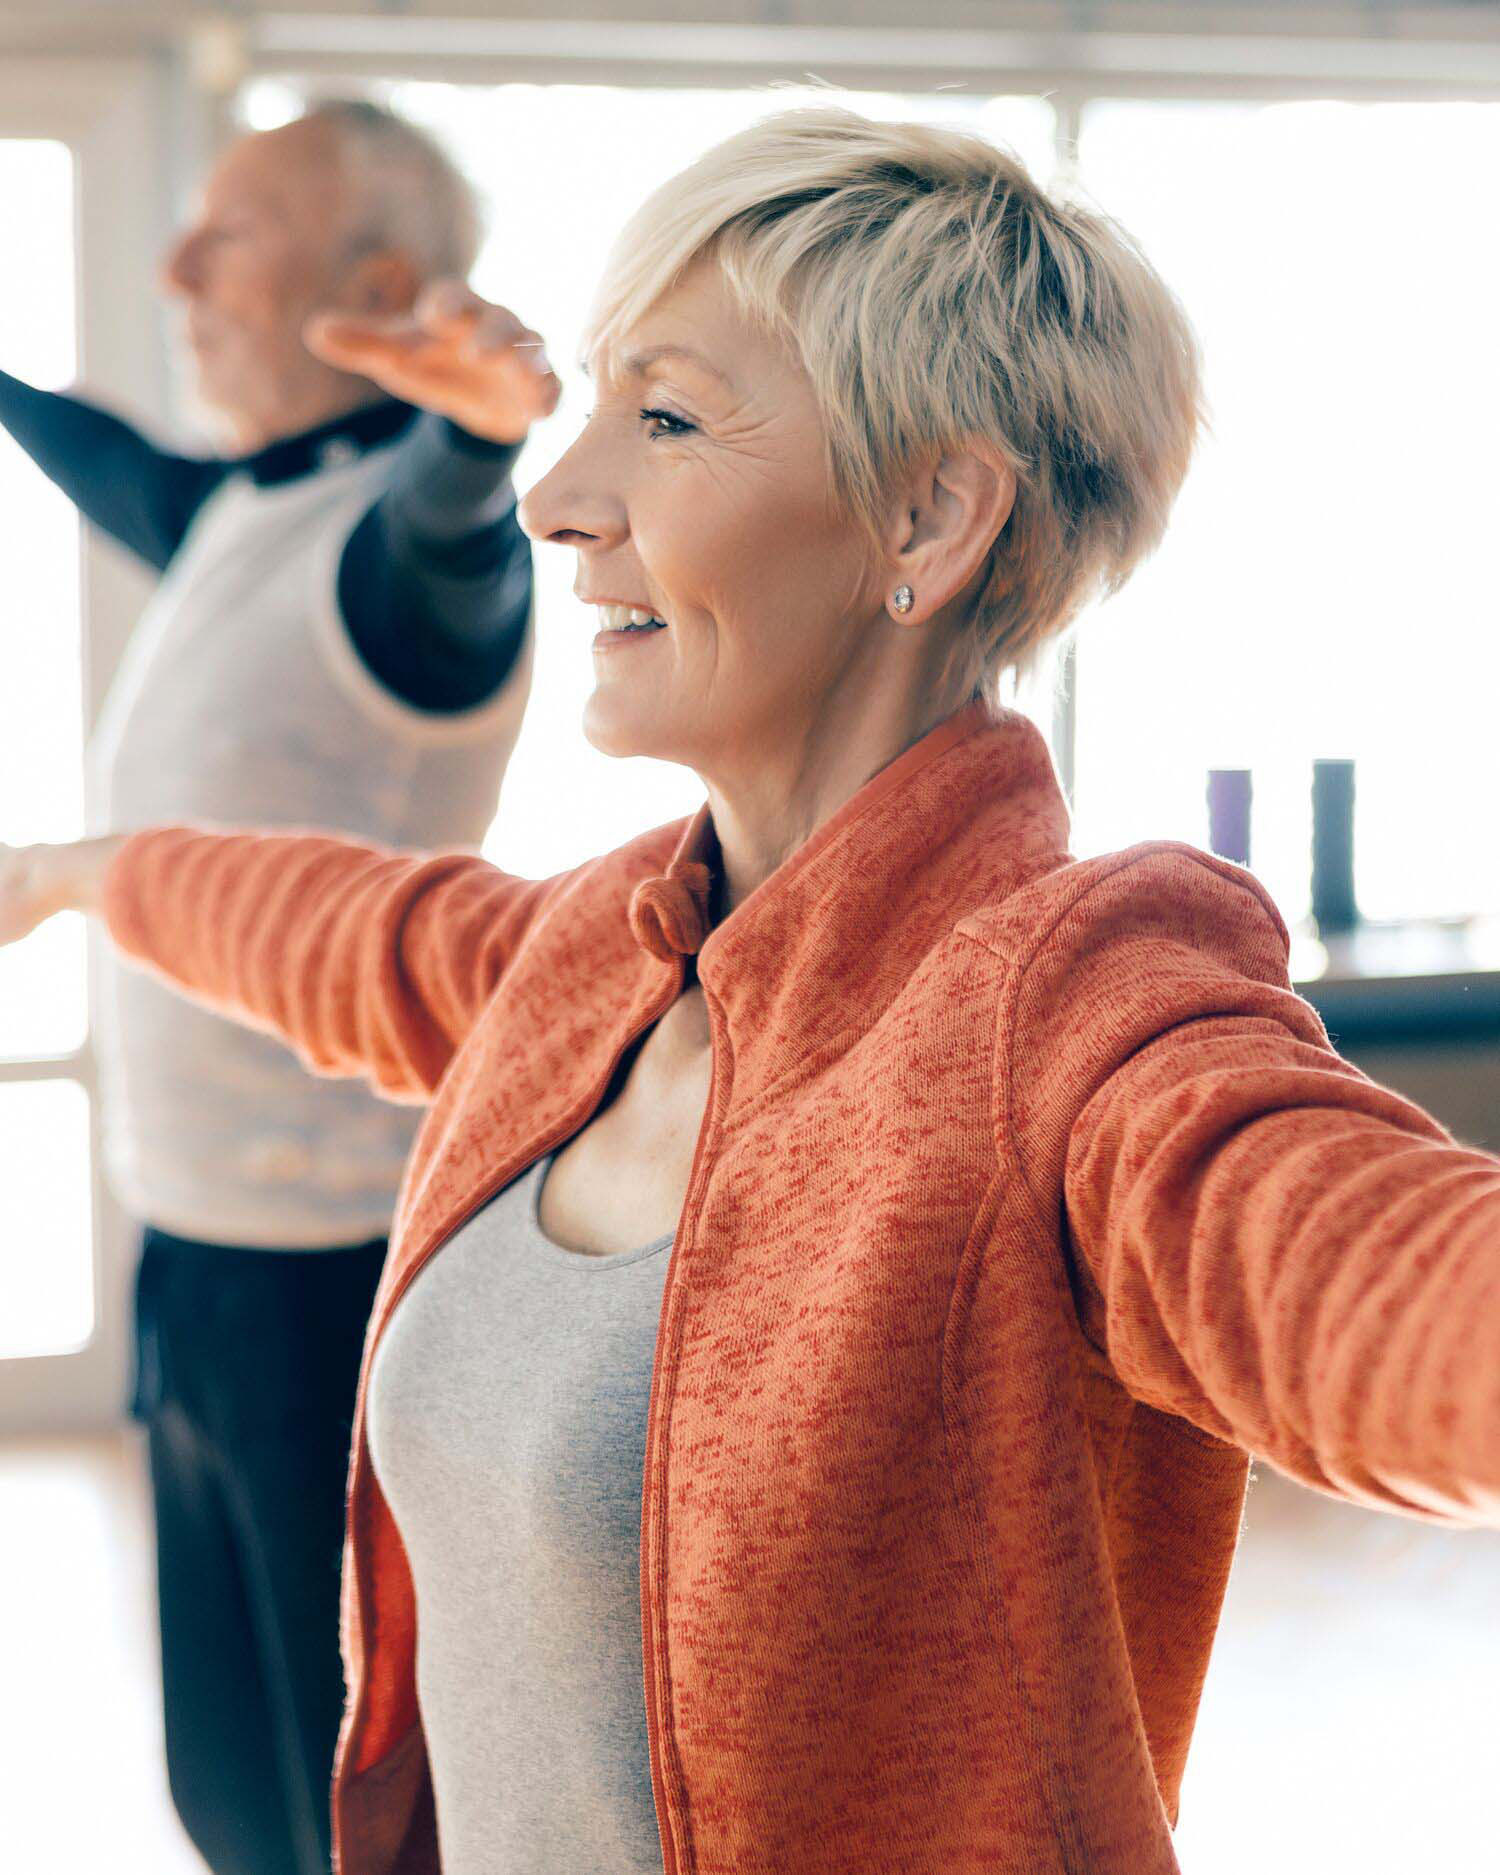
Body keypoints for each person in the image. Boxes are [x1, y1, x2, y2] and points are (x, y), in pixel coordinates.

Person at [4, 105, 1498, 1875]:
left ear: (930, 513)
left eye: (664, 419)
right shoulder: (605, 953)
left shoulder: (1071, 1006)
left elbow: (1358, 1263)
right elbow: (361, 931)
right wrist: (77, 875)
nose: (556, 504)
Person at [0, 99, 557, 1875]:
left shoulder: (402, 561)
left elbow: (451, 540)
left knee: (357, 1811)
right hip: (194, 1254)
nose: (174, 267)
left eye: (226, 233)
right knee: (229, 1788)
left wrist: (477, 440)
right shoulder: (244, 510)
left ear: (376, 284)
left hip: (343, 1279)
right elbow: (99, 455)